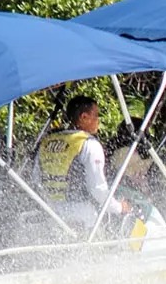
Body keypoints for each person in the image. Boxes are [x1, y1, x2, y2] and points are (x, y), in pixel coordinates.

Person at [38, 94, 130, 229]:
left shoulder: (47, 141)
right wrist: (119, 207)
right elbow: (98, 189)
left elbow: (36, 179)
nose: (98, 120)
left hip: (48, 212)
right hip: (81, 216)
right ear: (84, 117)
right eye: (96, 116)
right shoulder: (89, 144)